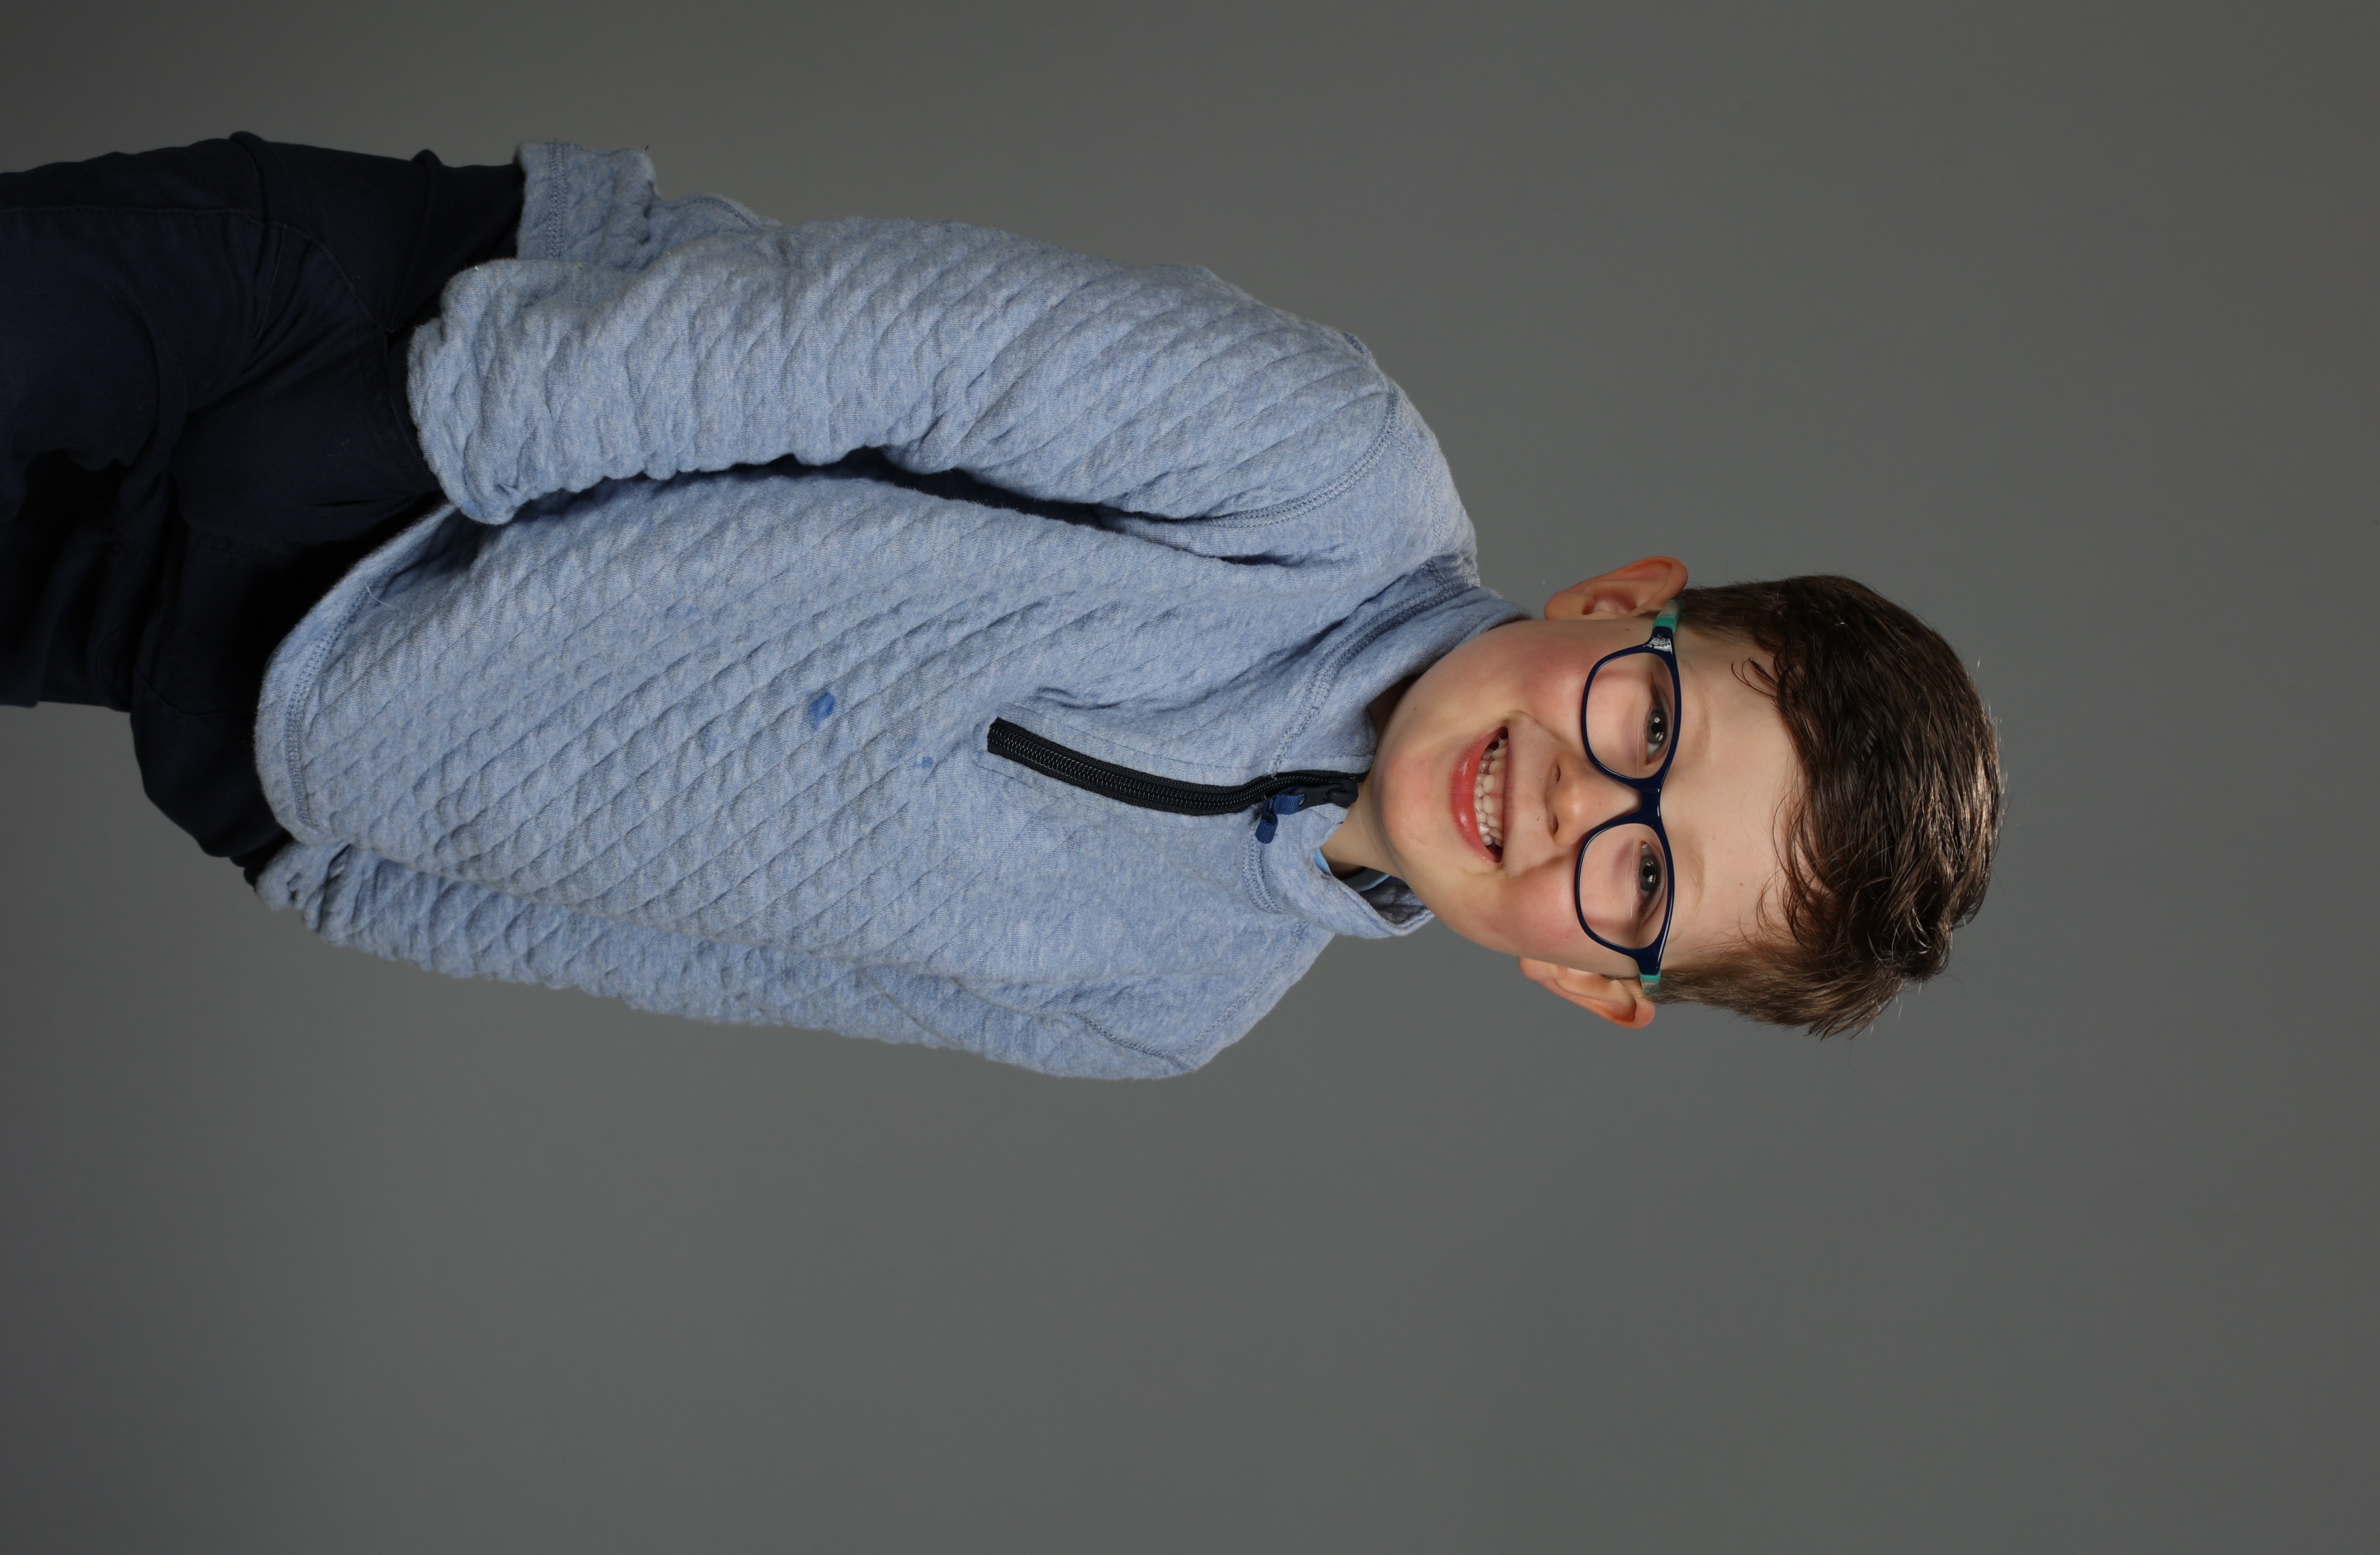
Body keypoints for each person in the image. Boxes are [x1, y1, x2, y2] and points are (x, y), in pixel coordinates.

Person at [1, 135, 2002, 1078]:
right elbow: (863, 339)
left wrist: (335, 868)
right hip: (375, 360)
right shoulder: (1330, 473)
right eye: (1652, 727)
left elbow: (723, 956)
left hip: (289, 701)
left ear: (1595, 982)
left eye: (1645, 879)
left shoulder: (1166, 1003)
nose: (1577, 804)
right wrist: (414, 425)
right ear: (1623, 602)